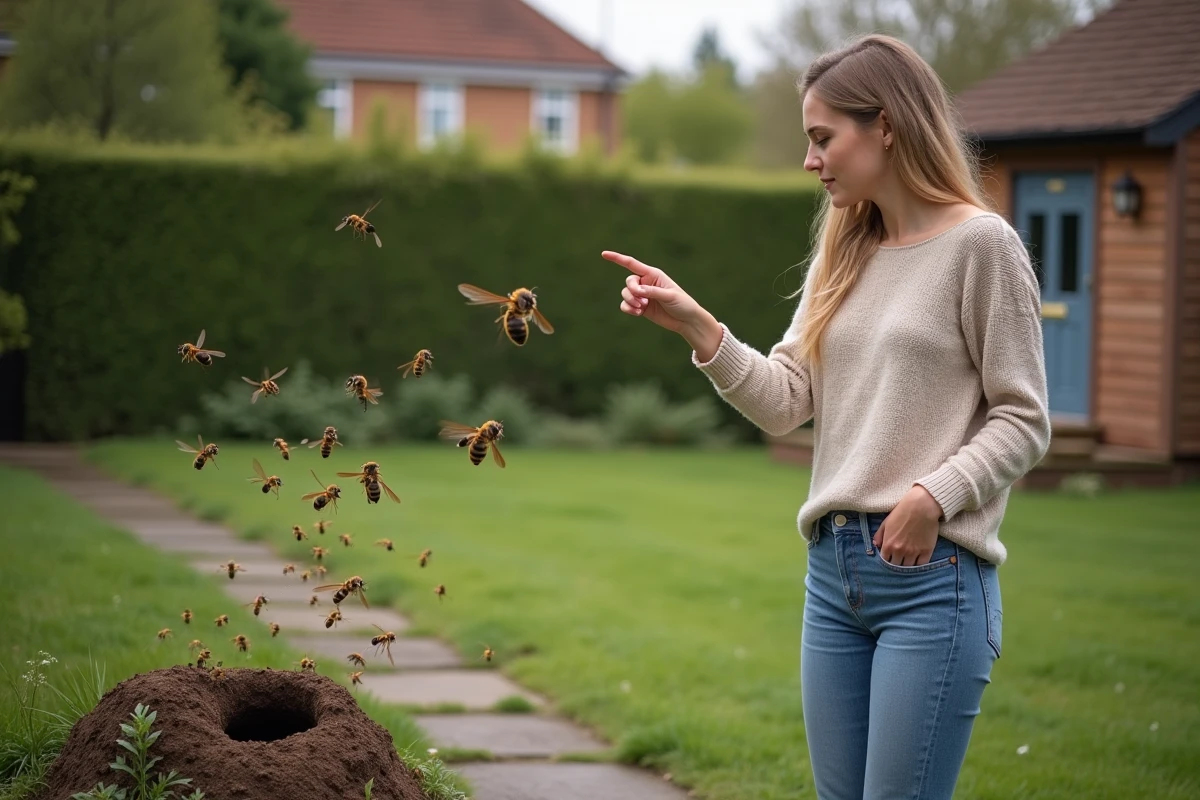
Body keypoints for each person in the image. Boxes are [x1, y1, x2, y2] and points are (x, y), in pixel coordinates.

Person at [600, 33, 1051, 800]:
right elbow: (786, 402)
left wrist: (931, 496)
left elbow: (1023, 417)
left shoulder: (984, 247)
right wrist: (697, 326)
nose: (810, 160)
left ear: (886, 125)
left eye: (822, 138)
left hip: (933, 579)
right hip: (832, 577)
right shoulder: (845, 249)